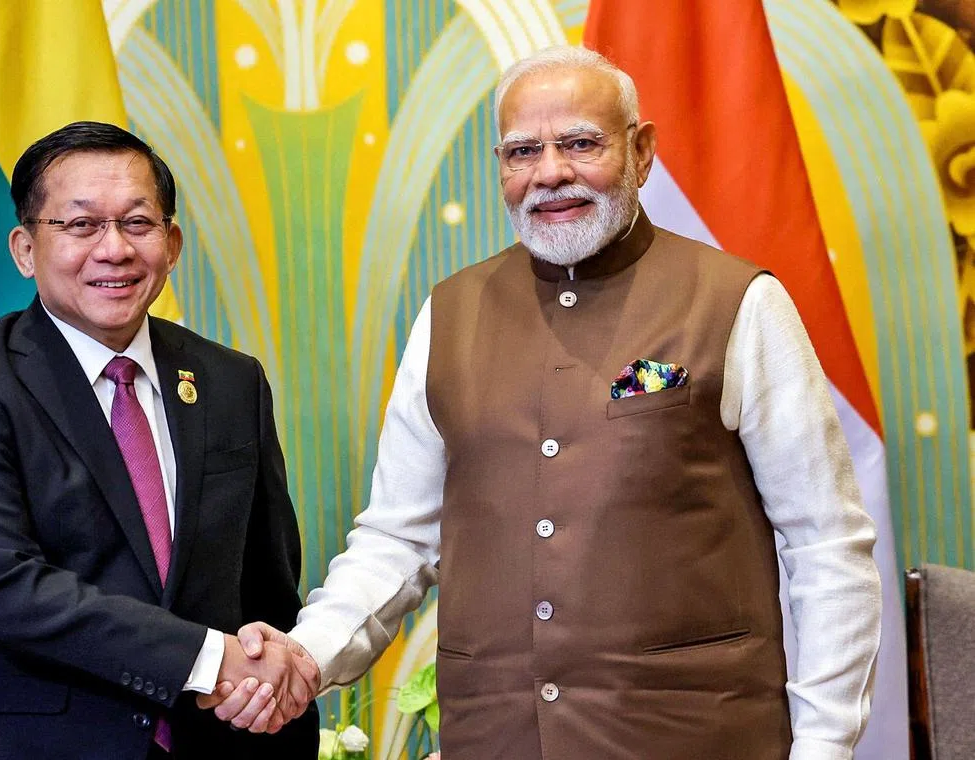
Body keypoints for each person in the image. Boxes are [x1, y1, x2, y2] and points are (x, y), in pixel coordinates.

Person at [208, 46, 883, 760]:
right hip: (496, 740)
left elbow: (825, 544)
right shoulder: (449, 316)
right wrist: (309, 654)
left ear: (643, 151)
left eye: (581, 143)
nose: (550, 172)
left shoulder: (739, 302)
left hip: (699, 737)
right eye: (522, 151)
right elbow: (397, 541)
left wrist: (825, 745)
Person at [0, 121, 318, 760]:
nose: (114, 250)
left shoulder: (232, 380)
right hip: (35, 744)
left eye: (136, 223)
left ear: (171, 242)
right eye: (80, 226)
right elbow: (3, 585)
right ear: (24, 249)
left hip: (217, 741)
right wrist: (210, 660)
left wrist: (274, 694)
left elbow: (267, 582)